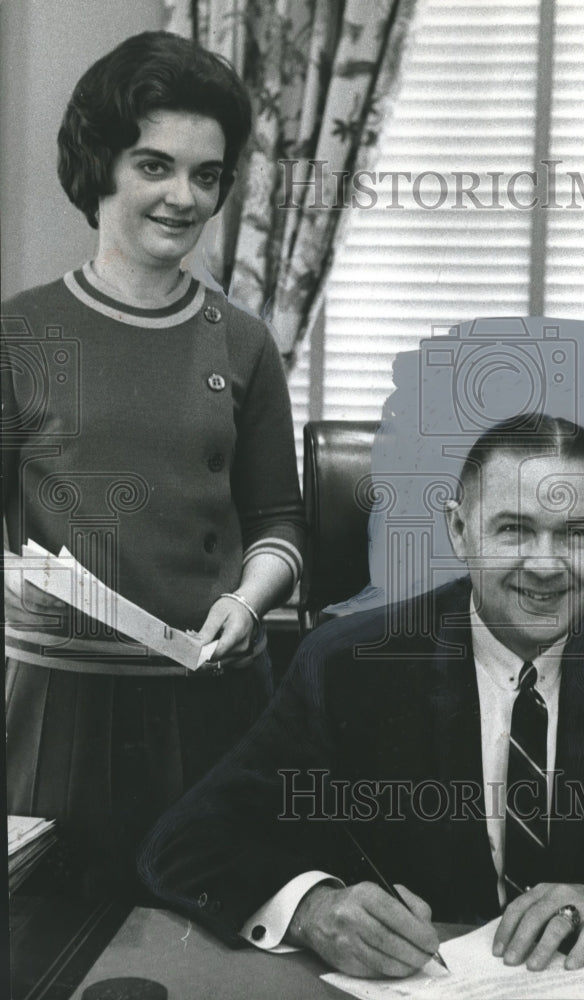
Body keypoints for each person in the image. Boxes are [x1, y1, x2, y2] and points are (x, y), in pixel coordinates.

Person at [138, 413, 584, 979]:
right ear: (460, 529)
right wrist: (313, 910)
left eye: (576, 534)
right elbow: (184, 842)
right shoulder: (348, 663)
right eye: (513, 530)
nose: (545, 564)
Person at [2, 31, 305, 895]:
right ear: (101, 166)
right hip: (58, 711)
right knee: (50, 947)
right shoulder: (20, 335)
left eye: (206, 176)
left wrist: (249, 605)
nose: (183, 196)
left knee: (217, 940)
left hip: (216, 708)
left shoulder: (243, 343)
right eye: (154, 166)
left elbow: (280, 524)